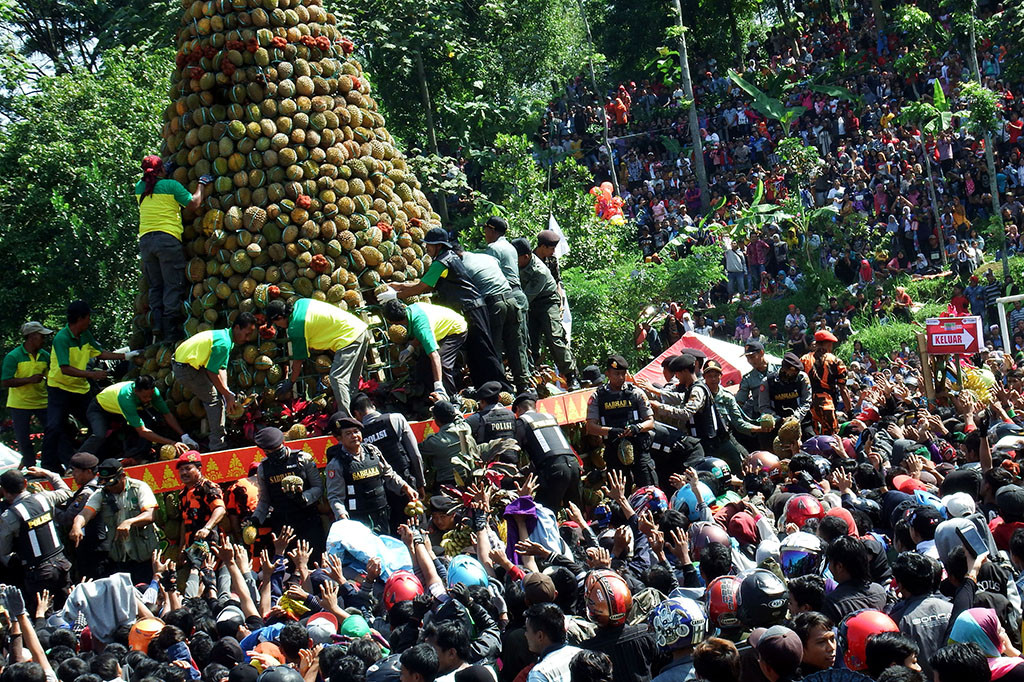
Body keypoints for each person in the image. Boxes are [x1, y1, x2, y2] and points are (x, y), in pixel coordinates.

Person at [390, 227, 506, 389]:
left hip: (471, 308)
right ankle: (485, 390)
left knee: (483, 350)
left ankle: (500, 388)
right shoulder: (447, 258)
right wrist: (400, 286)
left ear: (438, 245)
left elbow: (422, 287)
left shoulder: (441, 262)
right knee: (474, 353)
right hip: (469, 308)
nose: (427, 249)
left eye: (429, 245)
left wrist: (395, 296)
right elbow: (428, 285)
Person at [42, 301, 135, 473]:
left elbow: (99, 353)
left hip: (80, 389)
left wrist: (127, 356)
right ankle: (49, 465)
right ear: (80, 318)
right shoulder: (61, 338)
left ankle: (96, 460)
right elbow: (65, 368)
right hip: (59, 389)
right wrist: (92, 375)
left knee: (98, 425)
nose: (90, 321)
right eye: (88, 317)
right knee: (54, 426)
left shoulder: (85, 335)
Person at [136, 156, 209, 343]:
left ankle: (157, 326)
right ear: (161, 171)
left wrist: (163, 170)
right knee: (172, 285)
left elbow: (153, 183)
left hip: (146, 242)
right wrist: (201, 184)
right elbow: (194, 204)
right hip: (167, 240)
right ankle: (170, 331)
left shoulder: (139, 187)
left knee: (155, 285)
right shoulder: (171, 186)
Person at [264, 298, 370, 417]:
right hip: (359, 329)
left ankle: (347, 421)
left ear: (279, 317)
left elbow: (298, 362)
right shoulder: (301, 303)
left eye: (276, 323)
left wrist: (290, 382)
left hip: (349, 338)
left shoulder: (296, 328)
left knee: (337, 378)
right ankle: (362, 416)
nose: (278, 326)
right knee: (351, 382)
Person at [172, 312, 257, 451]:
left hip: (189, 364)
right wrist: (225, 394)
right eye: (246, 334)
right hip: (186, 369)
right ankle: (218, 445)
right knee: (214, 401)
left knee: (220, 397)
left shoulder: (225, 338)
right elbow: (212, 372)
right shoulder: (223, 343)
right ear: (236, 328)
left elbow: (221, 368)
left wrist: (226, 392)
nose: (247, 339)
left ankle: (217, 440)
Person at [69, 458, 160, 583]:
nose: (109, 487)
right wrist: (77, 525)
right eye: (105, 484)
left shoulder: (139, 488)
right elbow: (85, 513)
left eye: (112, 483)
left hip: (144, 557)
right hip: (119, 558)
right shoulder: (101, 494)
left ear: (122, 476)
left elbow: (151, 514)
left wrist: (130, 522)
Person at [324, 415, 418, 533]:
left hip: (381, 514)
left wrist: (405, 487)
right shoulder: (336, 464)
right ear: (339, 439)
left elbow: (389, 474)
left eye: (356, 431)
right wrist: (343, 517)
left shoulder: (372, 451)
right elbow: (335, 496)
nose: (354, 436)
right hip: (357, 519)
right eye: (348, 433)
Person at [350, 393, 425, 530]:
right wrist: (420, 483)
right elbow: (415, 455)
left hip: (381, 494)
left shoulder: (357, 436)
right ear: (372, 405)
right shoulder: (395, 419)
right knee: (417, 528)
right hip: (406, 484)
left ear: (357, 414)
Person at [459, 247, 530, 392]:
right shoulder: (485, 256)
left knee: (493, 348)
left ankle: (502, 388)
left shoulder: (462, 265)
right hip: (511, 300)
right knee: (516, 346)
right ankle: (524, 385)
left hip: (494, 305)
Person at [0, 466, 73, 606]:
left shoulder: (9, 516)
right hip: (61, 563)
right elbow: (67, 492)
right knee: (69, 608)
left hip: (38, 573)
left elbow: (3, 551)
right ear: (25, 484)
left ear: (4, 490)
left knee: (43, 616)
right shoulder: (44, 498)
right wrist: (49, 473)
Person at [513, 238, 579, 389]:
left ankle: (571, 376)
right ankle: (533, 377)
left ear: (525, 257)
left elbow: (525, 298)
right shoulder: (514, 264)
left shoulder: (539, 270)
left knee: (554, 337)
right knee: (530, 342)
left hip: (546, 302)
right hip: (528, 304)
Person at [81, 376, 192, 460]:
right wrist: (172, 442)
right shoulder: (126, 398)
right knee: (99, 435)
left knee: (152, 421)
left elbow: (167, 414)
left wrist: (184, 435)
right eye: (145, 397)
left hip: (121, 410)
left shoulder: (153, 393)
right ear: (136, 391)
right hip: (100, 409)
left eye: (150, 396)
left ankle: (139, 456)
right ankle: (76, 463)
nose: (149, 399)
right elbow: (142, 432)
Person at [585, 355, 656, 486]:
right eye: (616, 374)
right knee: (620, 492)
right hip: (614, 450)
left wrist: (637, 428)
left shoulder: (636, 393)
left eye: (623, 374)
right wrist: (610, 431)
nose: (621, 378)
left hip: (638, 448)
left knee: (649, 488)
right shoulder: (597, 397)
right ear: (607, 374)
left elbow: (650, 422)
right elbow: (590, 427)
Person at [250, 427, 324, 550]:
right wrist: (255, 519)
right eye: (268, 452)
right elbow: (264, 500)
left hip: (307, 518)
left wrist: (303, 498)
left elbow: (318, 487)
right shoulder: (263, 468)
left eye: (276, 449)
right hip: (282, 523)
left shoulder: (302, 459)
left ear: (283, 443)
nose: (273, 453)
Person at [382, 298, 467, 400]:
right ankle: (428, 398)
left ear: (396, 322)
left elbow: (435, 356)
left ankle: (452, 399)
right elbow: (420, 332)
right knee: (422, 366)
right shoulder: (410, 310)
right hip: (438, 331)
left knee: (443, 363)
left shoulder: (421, 327)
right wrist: (410, 348)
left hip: (456, 330)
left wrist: (438, 385)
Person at [512, 391, 581, 509]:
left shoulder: (522, 422)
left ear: (518, 409)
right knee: (574, 511)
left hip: (553, 469)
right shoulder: (550, 417)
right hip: (573, 465)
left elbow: (514, 450)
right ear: (535, 406)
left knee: (544, 513)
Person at [483, 216, 532, 372]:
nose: (484, 233)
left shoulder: (493, 249)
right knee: (519, 344)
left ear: (491, 230)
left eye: (485, 229)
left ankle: (500, 382)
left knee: (496, 344)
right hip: (518, 295)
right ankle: (525, 381)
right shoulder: (511, 247)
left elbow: (489, 274)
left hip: (502, 296)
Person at [2, 321, 53, 467]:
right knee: (23, 439)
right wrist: (29, 380)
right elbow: (6, 381)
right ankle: (31, 468)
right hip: (20, 403)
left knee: (54, 432)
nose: (44, 339)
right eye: (41, 336)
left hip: (42, 401)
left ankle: (52, 464)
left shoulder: (45, 356)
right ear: (31, 336)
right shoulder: (13, 357)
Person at [54, 452, 106, 579]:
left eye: (76, 471)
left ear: (88, 472)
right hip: (98, 545)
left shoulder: (87, 492)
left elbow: (67, 518)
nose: (73, 475)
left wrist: (46, 506)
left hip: (93, 548)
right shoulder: (98, 484)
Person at [823, 535, 886, 623]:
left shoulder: (833, 603)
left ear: (839, 566)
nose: (829, 567)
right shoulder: (880, 591)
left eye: (830, 562)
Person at [801, 330, 851, 435]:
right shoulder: (835, 361)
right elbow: (843, 389)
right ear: (828, 343)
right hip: (826, 403)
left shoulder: (804, 359)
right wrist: (850, 411)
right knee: (831, 438)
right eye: (831, 344)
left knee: (812, 439)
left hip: (808, 404)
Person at [420, 401, 478, 488]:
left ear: (436, 420)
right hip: (470, 481)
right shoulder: (465, 428)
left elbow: (414, 449)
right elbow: (459, 418)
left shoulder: (434, 441)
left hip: (447, 485)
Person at [176, 450, 226, 548]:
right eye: (181, 470)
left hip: (209, 539)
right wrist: (182, 547)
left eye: (188, 468)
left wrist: (207, 528)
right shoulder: (183, 494)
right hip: (191, 542)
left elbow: (220, 509)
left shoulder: (207, 487)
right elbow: (185, 521)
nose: (184, 472)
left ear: (199, 469)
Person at [758, 352, 812, 435]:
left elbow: (806, 402)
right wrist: (779, 419)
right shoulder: (767, 382)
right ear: (783, 369)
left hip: (800, 420)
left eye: (796, 372)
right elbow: (763, 407)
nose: (794, 375)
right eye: (791, 372)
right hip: (777, 423)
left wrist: (795, 418)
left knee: (811, 438)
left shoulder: (802, 378)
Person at [525, 603, 581, 682]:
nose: (525, 634)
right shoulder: (580, 653)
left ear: (540, 636)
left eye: (527, 630)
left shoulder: (539, 674)